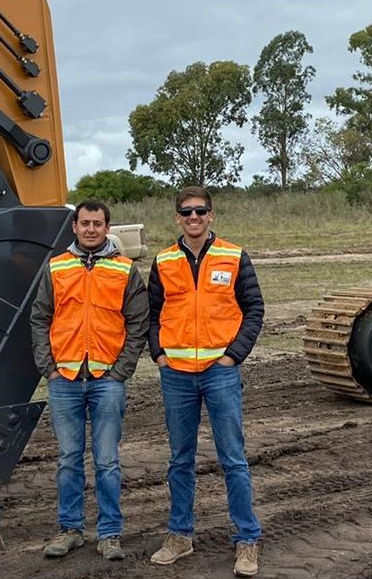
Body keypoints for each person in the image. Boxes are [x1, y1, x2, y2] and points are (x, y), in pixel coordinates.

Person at [147, 186, 264, 577]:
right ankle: (180, 535)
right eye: (186, 212)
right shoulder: (163, 261)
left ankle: (247, 540)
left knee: (233, 458)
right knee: (180, 461)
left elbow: (254, 309)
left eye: (200, 211)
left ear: (211, 215)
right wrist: (159, 354)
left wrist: (234, 355)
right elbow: (151, 314)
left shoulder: (233, 256)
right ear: (177, 218)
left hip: (220, 371)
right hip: (177, 375)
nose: (193, 218)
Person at [30, 200, 149, 561]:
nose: (91, 229)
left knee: (107, 460)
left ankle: (110, 533)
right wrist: (47, 367)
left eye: (97, 223)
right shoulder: (56, 267)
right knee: (68, 459)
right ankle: (70, 529)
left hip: (106, 380)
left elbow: (138, 324)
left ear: (107, 227)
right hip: (63, 378)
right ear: (75, 228)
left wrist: (120, 371)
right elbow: (39, 319)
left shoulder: (125, 270)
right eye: (85, 223)